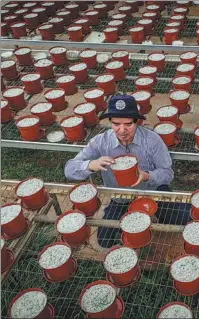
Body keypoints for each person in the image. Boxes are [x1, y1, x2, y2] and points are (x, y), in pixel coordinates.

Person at [65, 95, 191, 247]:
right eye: (116, 124)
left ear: (136, 121)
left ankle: (166, 213)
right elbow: (69, 169)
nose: (122, 130)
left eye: (128, 124)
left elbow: (167, 173)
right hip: (120, 197)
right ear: (110, 122)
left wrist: (147, 176)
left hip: (152, 192)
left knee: (184, 219)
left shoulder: (152, 140)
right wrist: (91, 164)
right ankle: (128, 230)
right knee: (104, 241)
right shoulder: (100, 142)